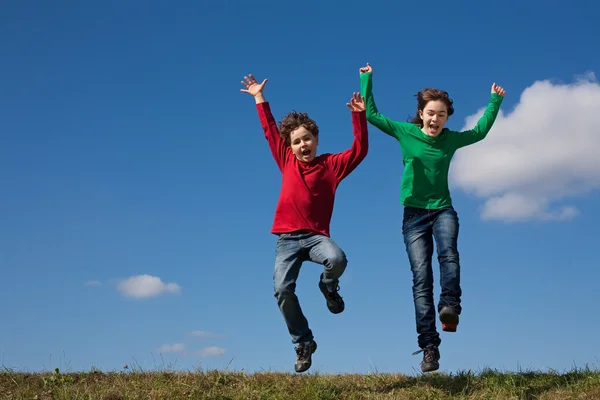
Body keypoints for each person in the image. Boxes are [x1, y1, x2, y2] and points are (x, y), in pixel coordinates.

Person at [359, 63, 506, 373]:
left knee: (449, 253)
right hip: (413, 215)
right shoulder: (406, 132)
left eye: (441, 114)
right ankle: (429, 347)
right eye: (431, 113)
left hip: (442, 209)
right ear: (421, 113)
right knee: (421, 279)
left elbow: (478, 132)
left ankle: (450, 306)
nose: (436, 119)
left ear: (446, 118)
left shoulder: (449, 139)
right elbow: (372, 115)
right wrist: (366, 79)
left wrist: (494, 102)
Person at [240, 73, 369, 373]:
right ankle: (303, 342)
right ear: (290, 146)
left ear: (316, 139)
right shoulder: (286, 160)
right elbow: (270, 131)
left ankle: (328, 287)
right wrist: (259, 98)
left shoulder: (331, 166)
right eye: (296, 141)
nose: (302, 145)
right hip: (286, 239)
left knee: (336, 259)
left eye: (307, 139)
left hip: (315, 237)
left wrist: (358, 118)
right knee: (282, 290)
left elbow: (359, 151)